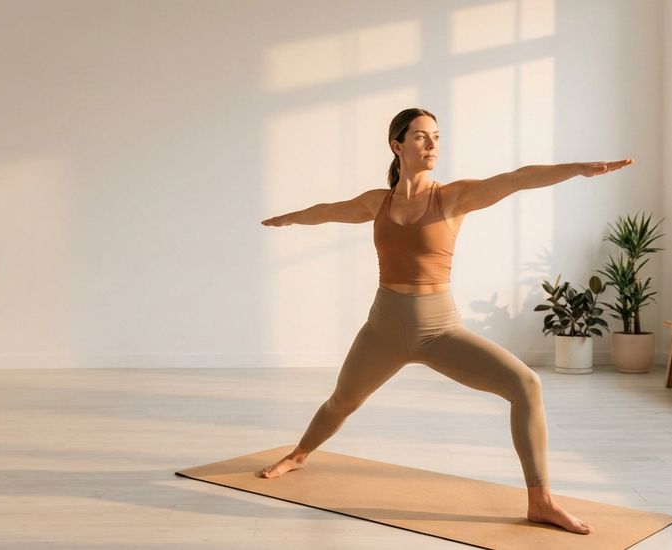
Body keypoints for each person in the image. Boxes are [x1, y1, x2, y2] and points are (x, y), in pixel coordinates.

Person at [257, 107, 633, 535]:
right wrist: (287, 218)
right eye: (420, 137)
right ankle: (300, 454)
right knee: (342, 402)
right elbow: (327, 210)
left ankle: (541, 501)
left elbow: (516, 178)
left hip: (439, 332)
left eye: (436, 135)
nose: (432, 144)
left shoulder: (452, 198)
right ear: (397, 146)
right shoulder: (377, 202)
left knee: (526, 384)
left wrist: (576, 169)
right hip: (383, 330)